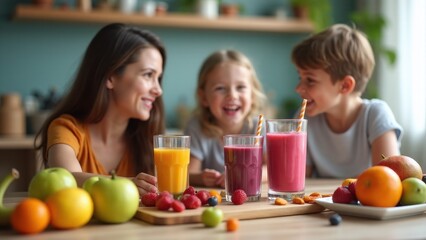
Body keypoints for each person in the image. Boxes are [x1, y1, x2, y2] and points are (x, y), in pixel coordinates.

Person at [35, 23, 166, 196]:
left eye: (158, 78)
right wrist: (127, 184)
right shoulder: (67, 129)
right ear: (110, 76)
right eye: (148, 75)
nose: (158, 90)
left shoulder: (146, 136)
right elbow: (66, 180)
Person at [291, 24, 403, 178]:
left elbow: (388, 178)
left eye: (310, 80)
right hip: (323, 201)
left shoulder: (375, 115)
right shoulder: (305, 119)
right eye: (300, 77)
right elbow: (300, 177)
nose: (298, 88)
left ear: (345, 85)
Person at [184, 50, 266, 188]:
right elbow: (189, 173)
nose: (232, 96)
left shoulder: (258, 126)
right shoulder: (197, 127)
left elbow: (270, 169)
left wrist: (245, 175)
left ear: (252, 94)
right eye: (220, 88)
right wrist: (202, 178)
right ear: (203, 97)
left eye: (240, 87)